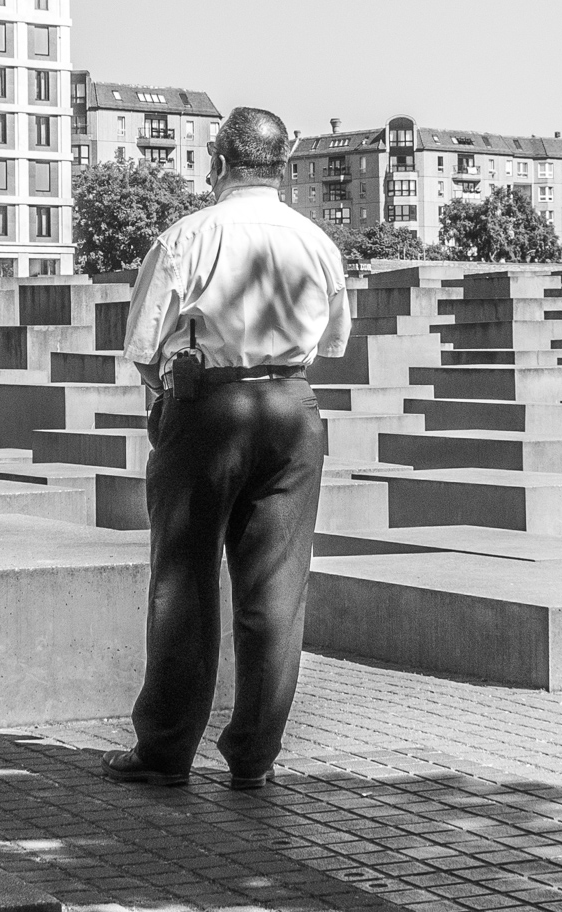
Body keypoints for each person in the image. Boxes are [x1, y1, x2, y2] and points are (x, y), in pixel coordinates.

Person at [102, 106, 350, 792]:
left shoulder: (189, 235)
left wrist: (167, 393)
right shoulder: (316, 241)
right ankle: (254, 757)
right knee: (277, 592)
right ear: (282, 165)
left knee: (183, 583)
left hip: (208, 409)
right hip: (292, 412)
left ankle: (166, 751)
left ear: (218, 161)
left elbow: (142, 344)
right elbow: (333, 342)